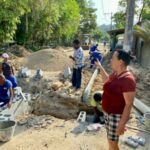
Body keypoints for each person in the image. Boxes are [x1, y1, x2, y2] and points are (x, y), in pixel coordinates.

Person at [95, 50, 136, 150]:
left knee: (113, 143)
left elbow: (129, 104)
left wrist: (121, 124)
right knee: (111, 141)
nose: (111, 60)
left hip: (115, 116)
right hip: (108, 113)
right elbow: (107, 80)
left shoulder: (128, 80)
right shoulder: (116, 74)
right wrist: (100, 67)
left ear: (120, 62)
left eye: (113, 58)